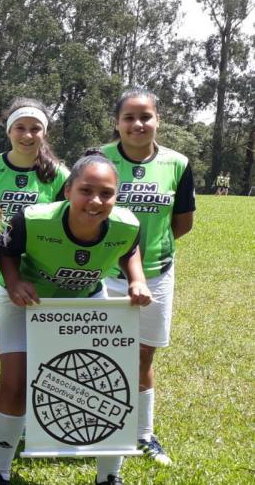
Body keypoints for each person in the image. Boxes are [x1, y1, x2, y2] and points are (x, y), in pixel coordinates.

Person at [0, 151, 152, 485]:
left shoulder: (127, 224)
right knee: (15, 384)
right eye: (86, 191)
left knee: (107, 385)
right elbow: (5, 250)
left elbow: (130, 249)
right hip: (29, 304)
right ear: (67, 191)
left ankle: (109, 475)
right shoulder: (32, 219)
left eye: (106, 193)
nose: (96, 201)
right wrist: (14, 281)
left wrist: (137, 279)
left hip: (85, 302)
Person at [100, 88, 195, 466]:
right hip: (103, 273)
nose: (137, 124)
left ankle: (142, 434)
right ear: (117, 122)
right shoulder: (98, 158)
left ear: (158, 120)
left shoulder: (177, 163)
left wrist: (150, 248)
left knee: (142, 356)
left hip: (157, 273)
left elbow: (182, 222)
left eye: (145, 117)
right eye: (129, 117)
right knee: (99, 353)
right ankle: (98, 429)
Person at [0, 98, 69, 451]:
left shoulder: (59, 175)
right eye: (20, 128)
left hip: (37, 280)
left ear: (45, 132)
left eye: (35, 128)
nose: (28, 135)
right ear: (8, 130)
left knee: (35, 354)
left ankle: (29, 423)